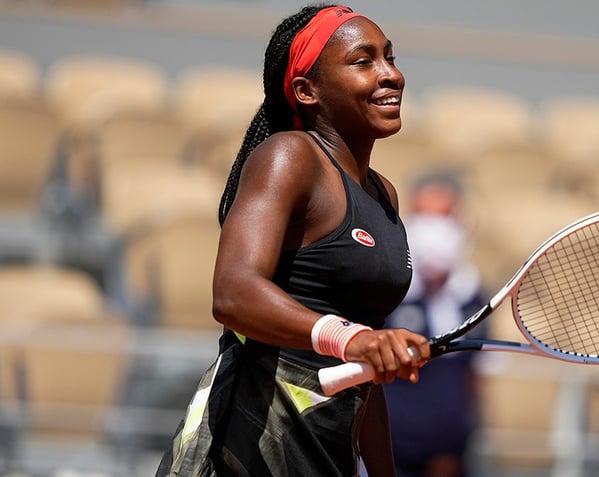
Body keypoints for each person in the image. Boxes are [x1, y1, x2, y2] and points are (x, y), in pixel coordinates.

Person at [155, 4, 431, 477]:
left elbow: (367, 377)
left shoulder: (384, 195)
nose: (390, 74)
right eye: (363, 61)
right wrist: (353, 339)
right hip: (244, 452)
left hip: (324, 457)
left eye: (389, 56)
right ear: (307, 91)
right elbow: (233, 293)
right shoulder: (288, 156)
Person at [382, 172, 488, 477]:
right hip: (389, 458)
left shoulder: (473, 296)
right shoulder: (386, 293)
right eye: (425, 219)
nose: (434, 232)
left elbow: (475, 380)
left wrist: (459, 443)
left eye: (444, 218)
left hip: (452, 460)